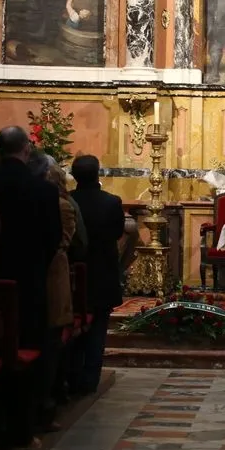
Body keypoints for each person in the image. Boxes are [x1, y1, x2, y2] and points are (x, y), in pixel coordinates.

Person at [0, 126, 62, 448]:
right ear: (26, 149)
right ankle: (23, 428)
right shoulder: (43, 190)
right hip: (30, 280)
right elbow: (53, 239)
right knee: (29, 349)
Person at [69, 155, 125, 395]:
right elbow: (118, 232)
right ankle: (90, 379)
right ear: (97, 174)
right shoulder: (111, 202)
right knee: (99, 326)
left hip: (73, 271)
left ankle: (72, 376)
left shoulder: (68, 200)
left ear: (74, 175)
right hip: (102, 271)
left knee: (73, 326)